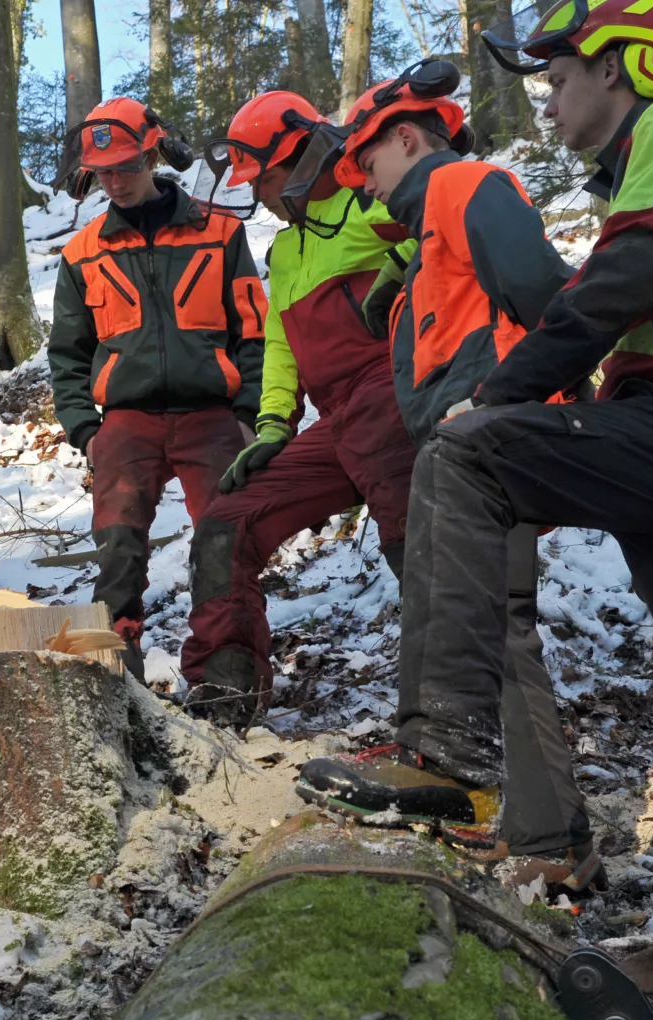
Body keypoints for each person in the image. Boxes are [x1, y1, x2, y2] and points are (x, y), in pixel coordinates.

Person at [302, 0, 653, 980]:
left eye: (560, 77)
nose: (550, 99)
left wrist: (499, 393)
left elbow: (630, 278)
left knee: (465, 455)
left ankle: (444, 759)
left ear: (618, 68)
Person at [297, 65, 597, 889]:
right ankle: (549, 831)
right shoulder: (423, 243)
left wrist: (529, 402)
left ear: (405, 137)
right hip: (466, 450)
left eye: (368, 166)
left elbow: (547, 295)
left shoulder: (467, 185)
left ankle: (541, 838)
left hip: (496, 441)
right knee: (499, 629)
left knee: (498, 625)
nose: (363, 187)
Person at [176, 92, 417, 725]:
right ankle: (223, 691)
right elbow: (281, 344)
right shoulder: (284, 251)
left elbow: (453, 228)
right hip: (338, 418)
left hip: (398, 393)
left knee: (420, 544)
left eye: (267, 179)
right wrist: (275, 424)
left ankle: (447, 723)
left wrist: (401, 260)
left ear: (305, 155)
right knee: (228, 522)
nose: (260, 195)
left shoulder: (370, 203)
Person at [47, 97, 267, 680]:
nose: (114, 182)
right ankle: (117, 676)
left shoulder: (220, 234)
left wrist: (248, 412)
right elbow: (66, 355)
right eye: (102, 173)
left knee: (225, 540)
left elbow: (254, 332)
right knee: (117, 548)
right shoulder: (82, 252)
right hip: (126, 420)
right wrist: (85, 430)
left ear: (152, 155)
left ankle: (229, 675)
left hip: (211, 411)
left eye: (124, 167)